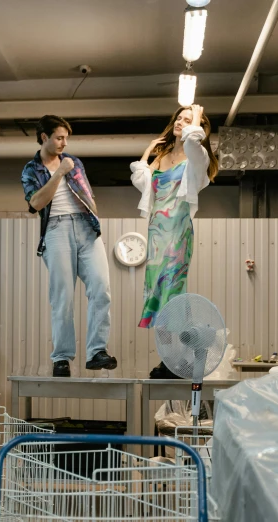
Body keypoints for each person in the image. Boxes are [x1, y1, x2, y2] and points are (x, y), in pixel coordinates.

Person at [21, 115, 117, 377]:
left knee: (101, 288)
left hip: (86, 228)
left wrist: (95, 218)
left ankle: (97, 351)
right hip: (56, 229)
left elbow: (87, 192)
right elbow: (35, 204)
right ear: (44, 138)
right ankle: (61, 358)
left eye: (66, 138)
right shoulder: (31, 169)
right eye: (59, 137)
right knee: (62, 297)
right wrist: (60, 172)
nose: (64, 142)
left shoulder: (75, 163)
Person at [130, 104, 219, 330]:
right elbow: (142, 182)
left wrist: (198, 116)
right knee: (155, 286)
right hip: (156, 231)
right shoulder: (162, 156)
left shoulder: (197, 158)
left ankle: (172, 356)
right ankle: (167, 354)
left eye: (187, 120)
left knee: (172, 284)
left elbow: (192, 141)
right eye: (179, 118)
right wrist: (148, 150)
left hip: (178, 230)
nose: (180, 122)